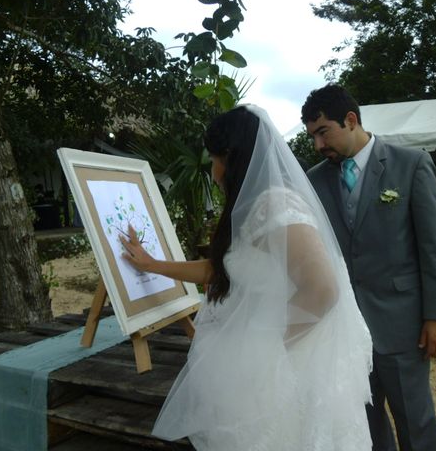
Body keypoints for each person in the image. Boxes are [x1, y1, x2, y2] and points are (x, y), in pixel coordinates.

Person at [119, 105, 373, 450]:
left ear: (232, 158)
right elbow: (222, 268)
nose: (212, 171)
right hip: (268, 361)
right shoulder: (255, 207)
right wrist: (152, 265)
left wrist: (266, 346)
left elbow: (323, 290)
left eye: (214, 159)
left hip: (290, 369)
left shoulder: (277, 206)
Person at [301, 84, 436, 451]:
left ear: (351, 120)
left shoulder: (411, 164)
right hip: (344, 330)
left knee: (416, 422)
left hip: (401, 326)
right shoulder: (314, 179)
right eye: (313, 136)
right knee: (363, 426)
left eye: (324, 132)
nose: (319, 145)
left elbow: (433, 249)